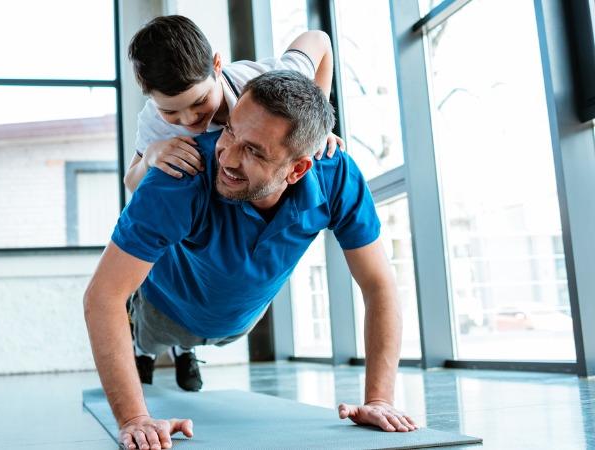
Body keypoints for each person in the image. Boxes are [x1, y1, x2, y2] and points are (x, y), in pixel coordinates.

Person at [84, 70, 417, 450]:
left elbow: (378, 284)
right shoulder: (179, 177)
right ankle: (151, 346)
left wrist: (379, 400)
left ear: (297, 169)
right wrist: (134, 418)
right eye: (230, 132)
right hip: (166, 310)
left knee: (223, 321)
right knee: (148, 339)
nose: (227, 156)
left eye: (254, 151)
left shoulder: (335, 175)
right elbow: (102, 296)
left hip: (241, 316)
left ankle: (185, 351)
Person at [124, 15, 345, 193]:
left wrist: (317, 127)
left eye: (200, 101)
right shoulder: (154, 120)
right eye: (170, 111)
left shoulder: (275, 86)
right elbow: (131, 183)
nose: (189, 119)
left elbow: (319, 40)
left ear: (216, 65)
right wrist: (149, 159)